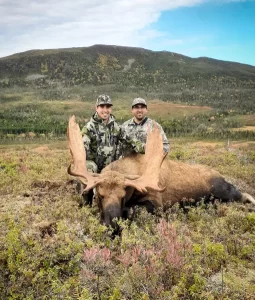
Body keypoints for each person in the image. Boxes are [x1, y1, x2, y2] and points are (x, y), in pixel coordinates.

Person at [77, 94, 121, 205]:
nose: (105, 110)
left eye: (108, 107)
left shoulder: (117, 127)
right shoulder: (89, 127)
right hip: (95, 166)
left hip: (111, 167)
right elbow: (82, 148)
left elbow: (126, 142)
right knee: (88, 167)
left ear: (111, 108)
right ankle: (86, 202)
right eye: (102, 107)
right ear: (96, 108)